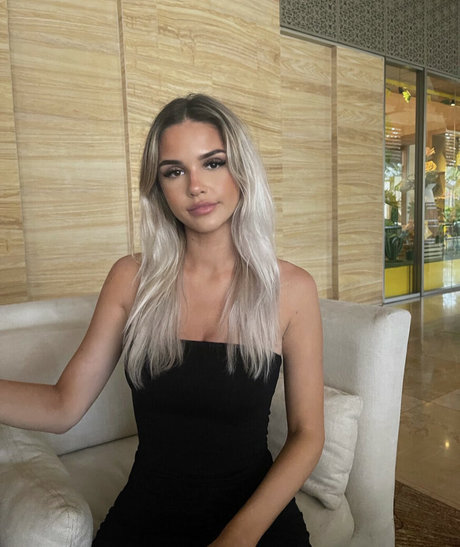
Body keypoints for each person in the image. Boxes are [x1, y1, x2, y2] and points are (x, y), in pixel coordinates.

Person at [0, 94, 324, 546]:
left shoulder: (292, 289)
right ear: (158, 188)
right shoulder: (131, 279)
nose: (196, 186)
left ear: (242, 170)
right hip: (147, 512)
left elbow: (307, 435)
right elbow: (62, 406)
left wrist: (238, 537)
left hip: (254, 518)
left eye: (213, 163)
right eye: (174, 171)